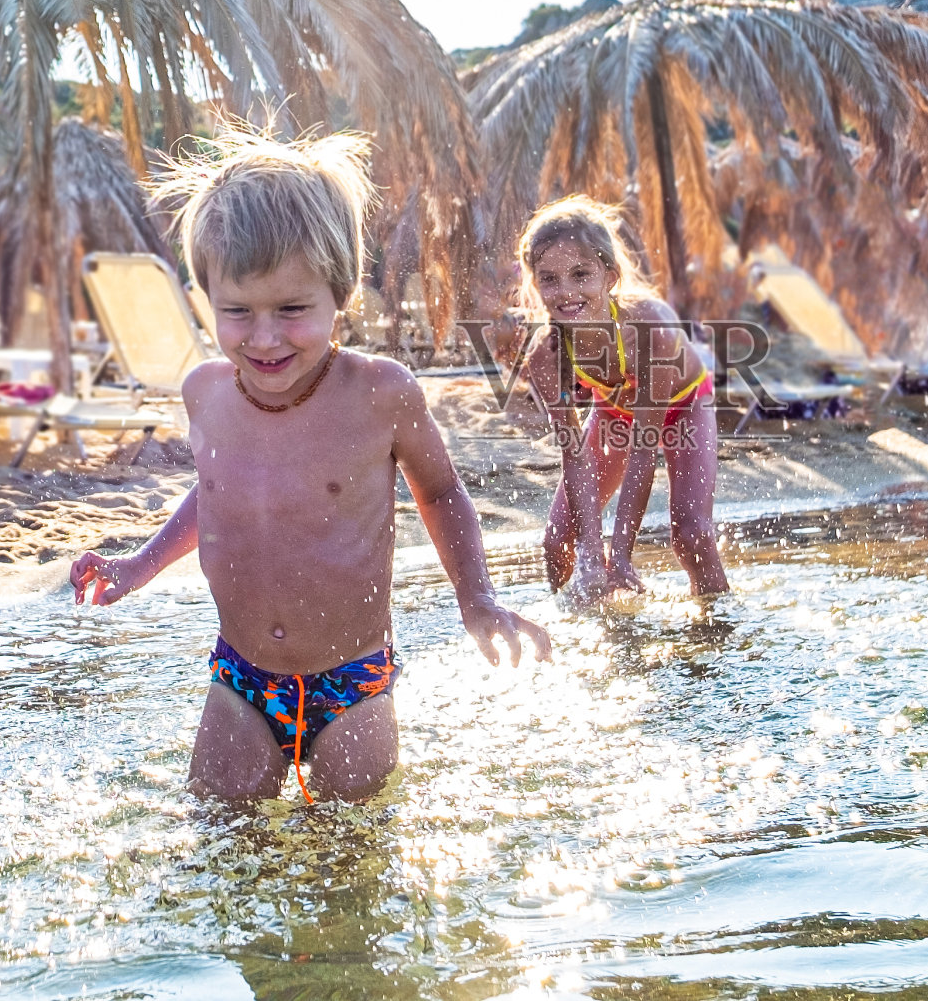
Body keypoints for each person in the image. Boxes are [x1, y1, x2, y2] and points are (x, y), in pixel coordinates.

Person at [69, 129, 550, 804]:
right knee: (219, 830)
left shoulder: (379, 393)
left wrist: (477, 598)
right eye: (237, 312)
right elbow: (218, 493)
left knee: (354, 847)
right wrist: (139, 565)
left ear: (340, 293)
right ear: (207, 297)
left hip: (351, 682)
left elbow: (441, 492)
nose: (264, 337)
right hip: (240, 677)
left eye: (292, 309)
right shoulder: (206, 393)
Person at [516, 196, 728, 601]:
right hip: (615, 413)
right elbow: (574, 455)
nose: (565, 292)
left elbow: (643, 451)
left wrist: (621, 555)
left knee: (692, 535)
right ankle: (576, 624)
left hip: (686, 408)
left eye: (581, 274)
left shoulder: (650, 329)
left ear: (609, 277)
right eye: (549, 279)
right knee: (558, 542)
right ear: (535, 284)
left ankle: (716, 624)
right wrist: (590, 553)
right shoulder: (546, 356)